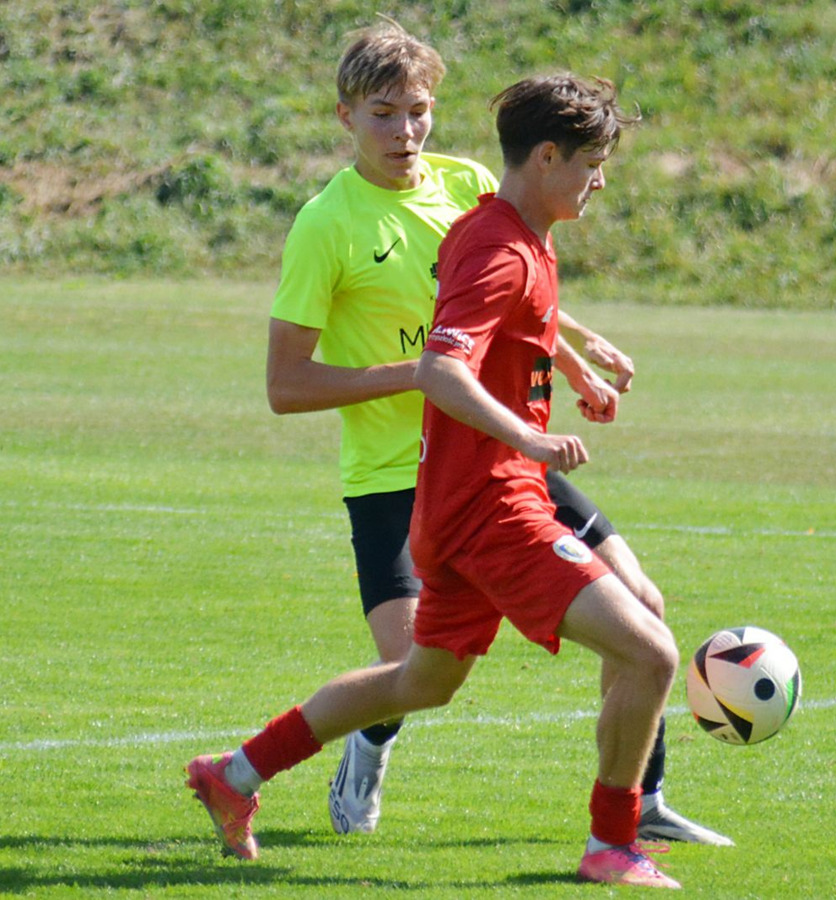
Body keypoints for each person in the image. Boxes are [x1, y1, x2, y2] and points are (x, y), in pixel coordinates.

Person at [191, 13, 723, 855]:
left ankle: (640, 805)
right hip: (413, 475)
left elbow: (504, 299)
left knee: (607, 625)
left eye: (419, 111)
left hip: (495, 458)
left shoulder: (470, 188)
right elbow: (290, 386)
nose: (405, 132)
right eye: (383, 115)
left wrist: (573, 357)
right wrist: (426, 376)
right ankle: (601, 838)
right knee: (431, 670)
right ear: (345, 116)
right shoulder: (327, 224)